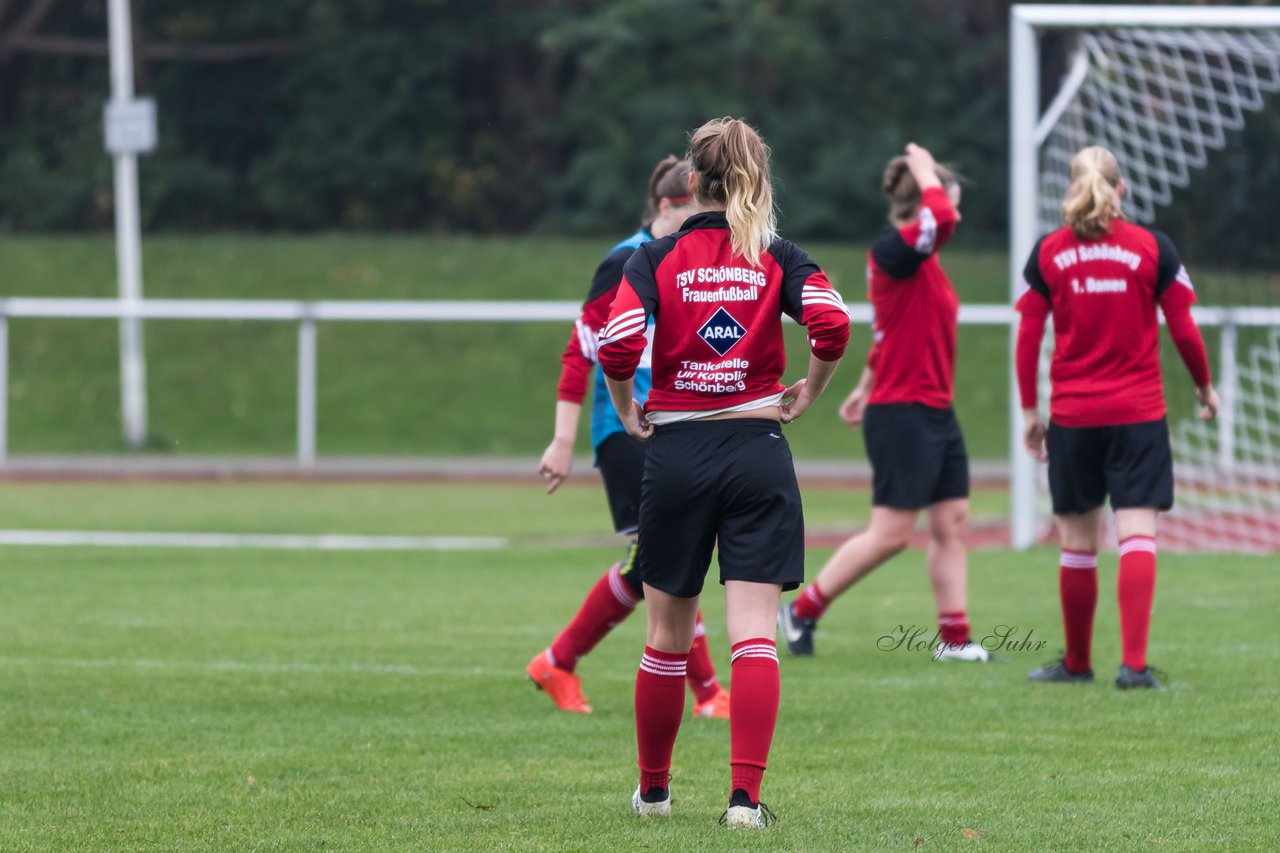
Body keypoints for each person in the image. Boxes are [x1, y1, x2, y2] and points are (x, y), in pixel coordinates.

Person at [598, 117, 850, 829]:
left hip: (675, 454)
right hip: (756, 455)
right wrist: (811, 387)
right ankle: (744, 801)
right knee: (753, 636)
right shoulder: (776, 253)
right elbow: (832, 325)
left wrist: (626, 408)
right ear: (751, 179)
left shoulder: (654, 256)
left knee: (665, 637)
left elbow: (617, 342)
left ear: (692, 181)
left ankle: (653, 792)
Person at [526, 156, 731, 719]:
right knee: (667, 559)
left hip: (665, 425)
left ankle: (557, 662)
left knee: (657, 563)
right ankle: (708, 693)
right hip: (625, 431)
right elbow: (582, 350)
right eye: (695, 211)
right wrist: (564, 441)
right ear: (667, 207)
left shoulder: (680, 259)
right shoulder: (623, 261)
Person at [1016, 145, 1219, 690]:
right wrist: (1204, 388)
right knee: (1136, 535)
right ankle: (1132, 666)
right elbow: (1184, 330)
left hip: (1075, 417)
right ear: (1121, 189)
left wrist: (1031, 412)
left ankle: (1077, 665)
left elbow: (1029, 336)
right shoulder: (1155, 248)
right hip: (1138, 414)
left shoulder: (1049, 252)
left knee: (1078, 544)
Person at [777, 144, 989, 662]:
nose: (954, 215)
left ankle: (954, 641)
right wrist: (925, 170)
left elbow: (894, 330)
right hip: (904, 412)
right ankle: (802, 611)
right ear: (925, 201)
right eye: (949, 201)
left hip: (933, 408)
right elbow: (941, 217)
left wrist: (863, 384)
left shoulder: (923, 263)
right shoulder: (895, 250)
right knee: (893, 534)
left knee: (952, 522)